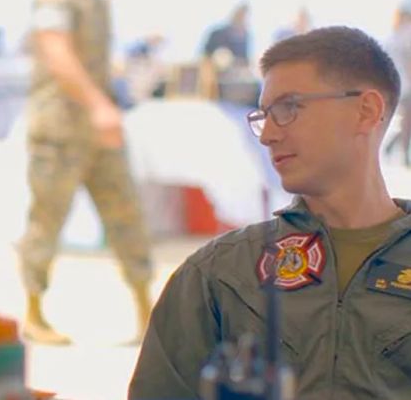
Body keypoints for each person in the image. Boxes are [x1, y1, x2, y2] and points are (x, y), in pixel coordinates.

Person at [129, 26, 410, 399]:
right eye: (264, 115)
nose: (267, 135)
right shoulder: (220, 274)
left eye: (289, 108)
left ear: (366, 111)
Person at [17, 0, 153, 345]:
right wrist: (98, 106)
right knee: (46, 220)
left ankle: (146, 311)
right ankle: (34, 314)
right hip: (60, 131)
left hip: (99, 131)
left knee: (127, 213)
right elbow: (56, 54)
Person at [384, 5, 411, 165]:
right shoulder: (406, 34)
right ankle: (403, 153)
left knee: (406, 119)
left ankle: (392, 146)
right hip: (407, 84)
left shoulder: (393, 36)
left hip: (396, 83)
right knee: (407, 120)